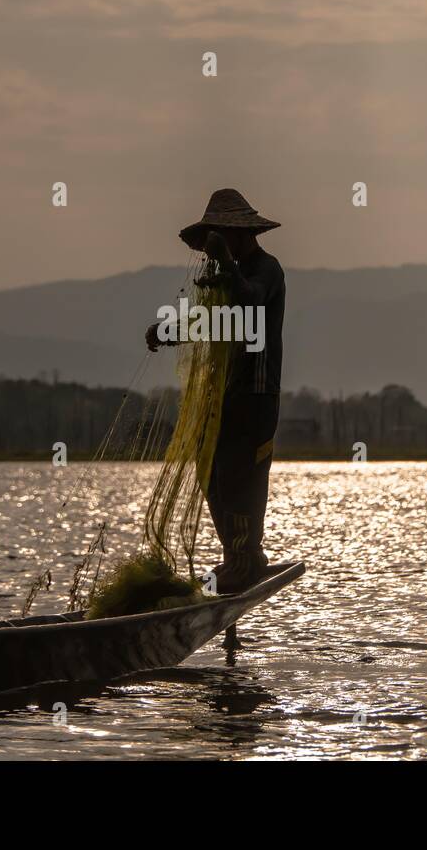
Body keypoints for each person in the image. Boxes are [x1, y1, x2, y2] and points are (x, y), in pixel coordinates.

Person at [145, 188, 285, 593]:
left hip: (256, 398)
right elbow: (208, 324)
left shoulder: (265, 270)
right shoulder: (227, 276)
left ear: (242, 235)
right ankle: (236, 558)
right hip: (224, 397)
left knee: (242, 476)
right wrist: (165, 331)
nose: (213, 252)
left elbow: (251, 301)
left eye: (221, 240)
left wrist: (226, 263)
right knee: (213, 474)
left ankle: (246, 560)